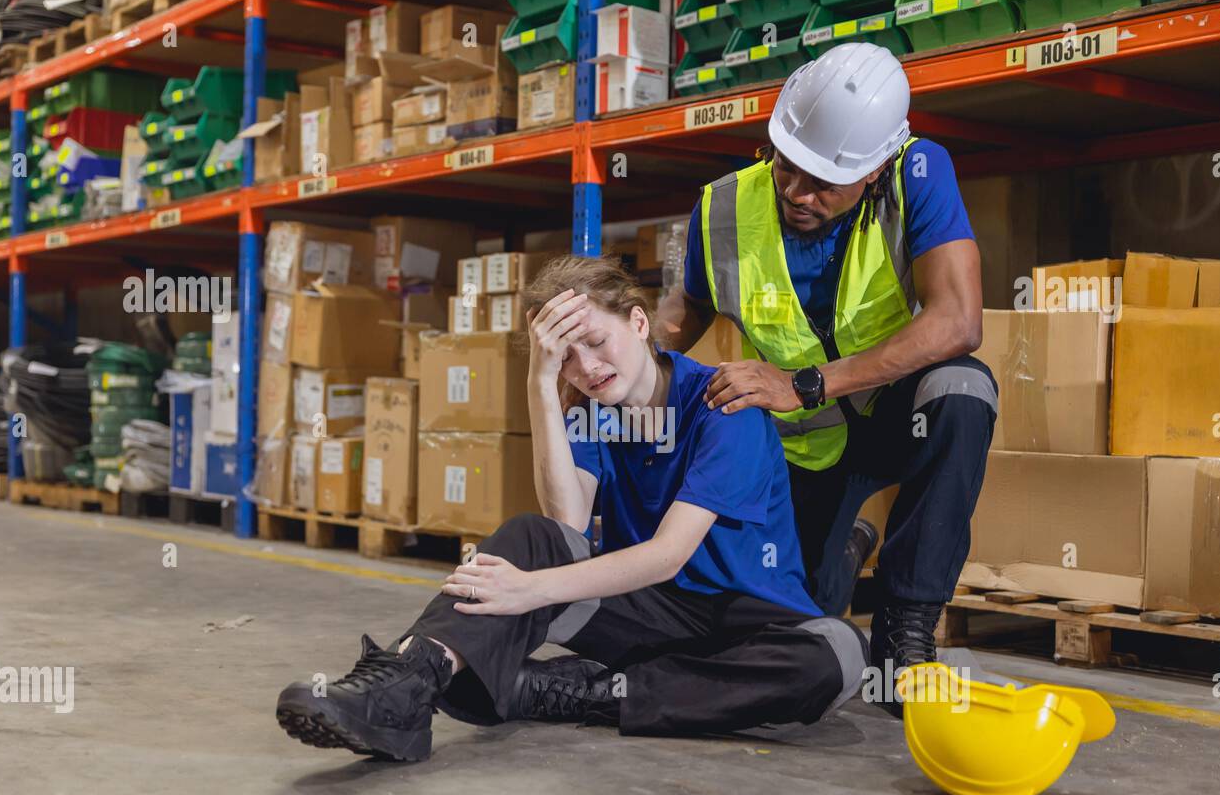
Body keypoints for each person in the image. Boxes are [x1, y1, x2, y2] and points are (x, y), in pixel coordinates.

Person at [275, 254, 871, 762]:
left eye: (595, 341)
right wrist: (540, 384)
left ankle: (576, 692)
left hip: (748, 623)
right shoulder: (589, 407)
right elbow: (564, 526)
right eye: (566, 355)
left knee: (836, 658)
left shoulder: (724, 404)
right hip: (653, 620)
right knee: (529, 538)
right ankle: (401, 688)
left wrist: (532, 592)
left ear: (639, 323)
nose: (586, 368)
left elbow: (667, 555)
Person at [654, 42, 997, 712]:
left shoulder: (919, 173)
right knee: (800, 628)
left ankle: (906, 629)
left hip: (894, 417)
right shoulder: (723, 208)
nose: (795, 192)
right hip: (803, 453)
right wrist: (618, 351)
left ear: (875, 170)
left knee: (964, 387)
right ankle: (856, 537)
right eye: (788, 166)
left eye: (822, 181)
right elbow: (685, 310)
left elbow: (959, 319)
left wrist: (805, 382)